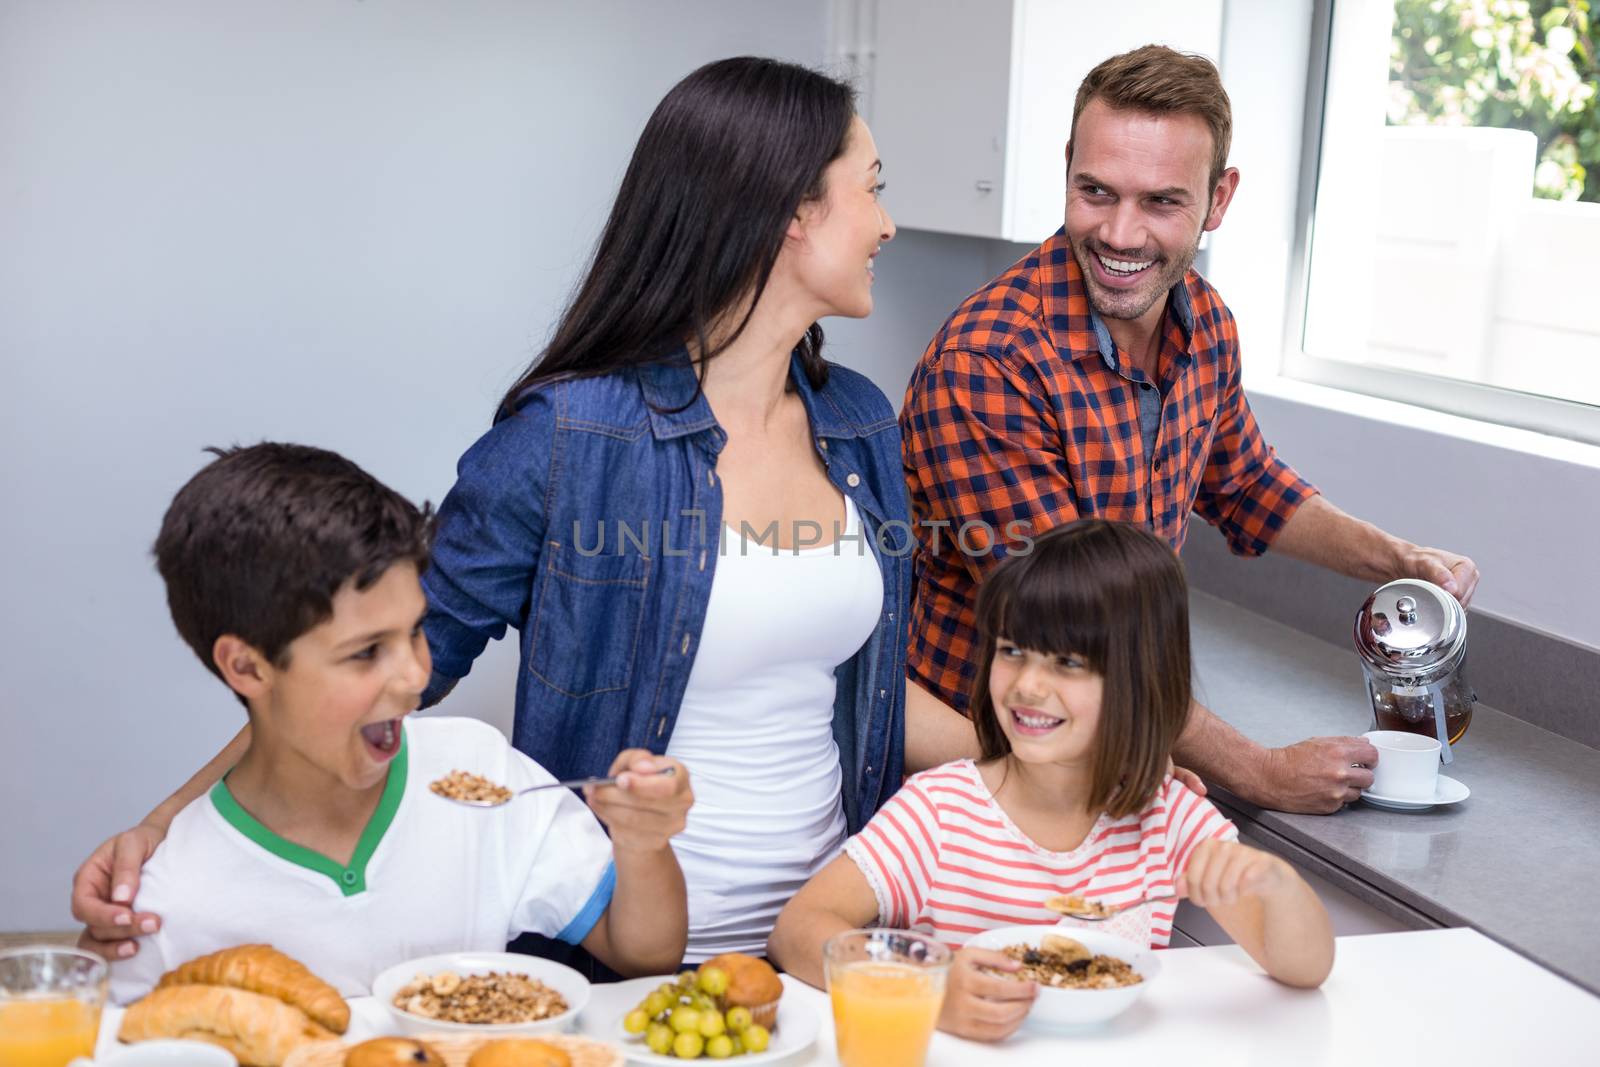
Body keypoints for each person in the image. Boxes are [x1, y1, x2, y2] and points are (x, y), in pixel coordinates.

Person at [72, 56, 974, 968]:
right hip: (622, 959)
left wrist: (1059, 766)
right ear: (790, 211)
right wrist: (167, 828)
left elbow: (863, 692)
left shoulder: (857, 422)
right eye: (872, 189)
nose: (887, 222)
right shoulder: (569, 435)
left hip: (823, 956)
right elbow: (389, 664)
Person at [899, 45, 1481, 815]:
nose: (1120, 233)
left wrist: (1398, 559)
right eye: (1096, 191)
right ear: (1068, 167)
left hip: (1120, 748)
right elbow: (1075, 629)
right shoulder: (989, 363)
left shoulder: (1203, 322)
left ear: (1219, 198)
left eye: (1162, 202)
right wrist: (1261, 770)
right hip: (985, 784)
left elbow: (1246, 485)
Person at [105, 443, 691, 1003]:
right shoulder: (168, 902)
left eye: (414, 630)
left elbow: (643, 953)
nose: (414, 675)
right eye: (365, 652)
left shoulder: (481, 772)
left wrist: (644, 844)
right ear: (248, 667)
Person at [769, 519, 1335, 1041]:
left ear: (1140, 683)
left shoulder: (1167, 820)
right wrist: (930, 991)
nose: (1028, 686)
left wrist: (1273, 884)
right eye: (1012, 651)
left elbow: (1306, 967)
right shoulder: (940, 813)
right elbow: (798, 930)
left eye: (1067, 663)